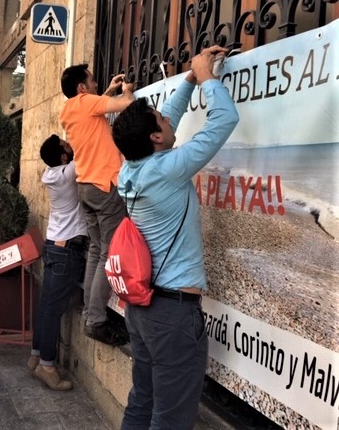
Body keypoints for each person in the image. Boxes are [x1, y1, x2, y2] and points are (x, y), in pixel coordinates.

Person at [111, 46, 239, 429]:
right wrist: (208, 78)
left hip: (142, 309)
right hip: (172, 314)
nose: (168, 118)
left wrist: (189, 79)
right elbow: (224, 119)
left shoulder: (131, 168)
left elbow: (167, 121)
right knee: (170, 420)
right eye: (161, 119)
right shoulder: (167, 169)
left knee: (142, 401)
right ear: (154, 136)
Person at [59, 64, 134, 345]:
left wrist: (109, 91)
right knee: (108, 253)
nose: (95, 84)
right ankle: (96, 320)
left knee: (95, 251)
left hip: (86, 186)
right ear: (81, 88)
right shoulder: (87, 102)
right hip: (105, 185)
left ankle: (90, 312)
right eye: (91, 81)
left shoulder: (69, 109)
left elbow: (95, 108)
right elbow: (126, 104)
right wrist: (126, 91)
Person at [28, 135, 87, 391]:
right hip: (66, 249)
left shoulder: (50, 173)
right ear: (64, 157)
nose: (70, 144)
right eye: (66, 144)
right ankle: (47, 366)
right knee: (53, 310)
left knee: (46, 305)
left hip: (54, 245)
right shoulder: (67, 173)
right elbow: (87, 146)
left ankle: (36, 354)